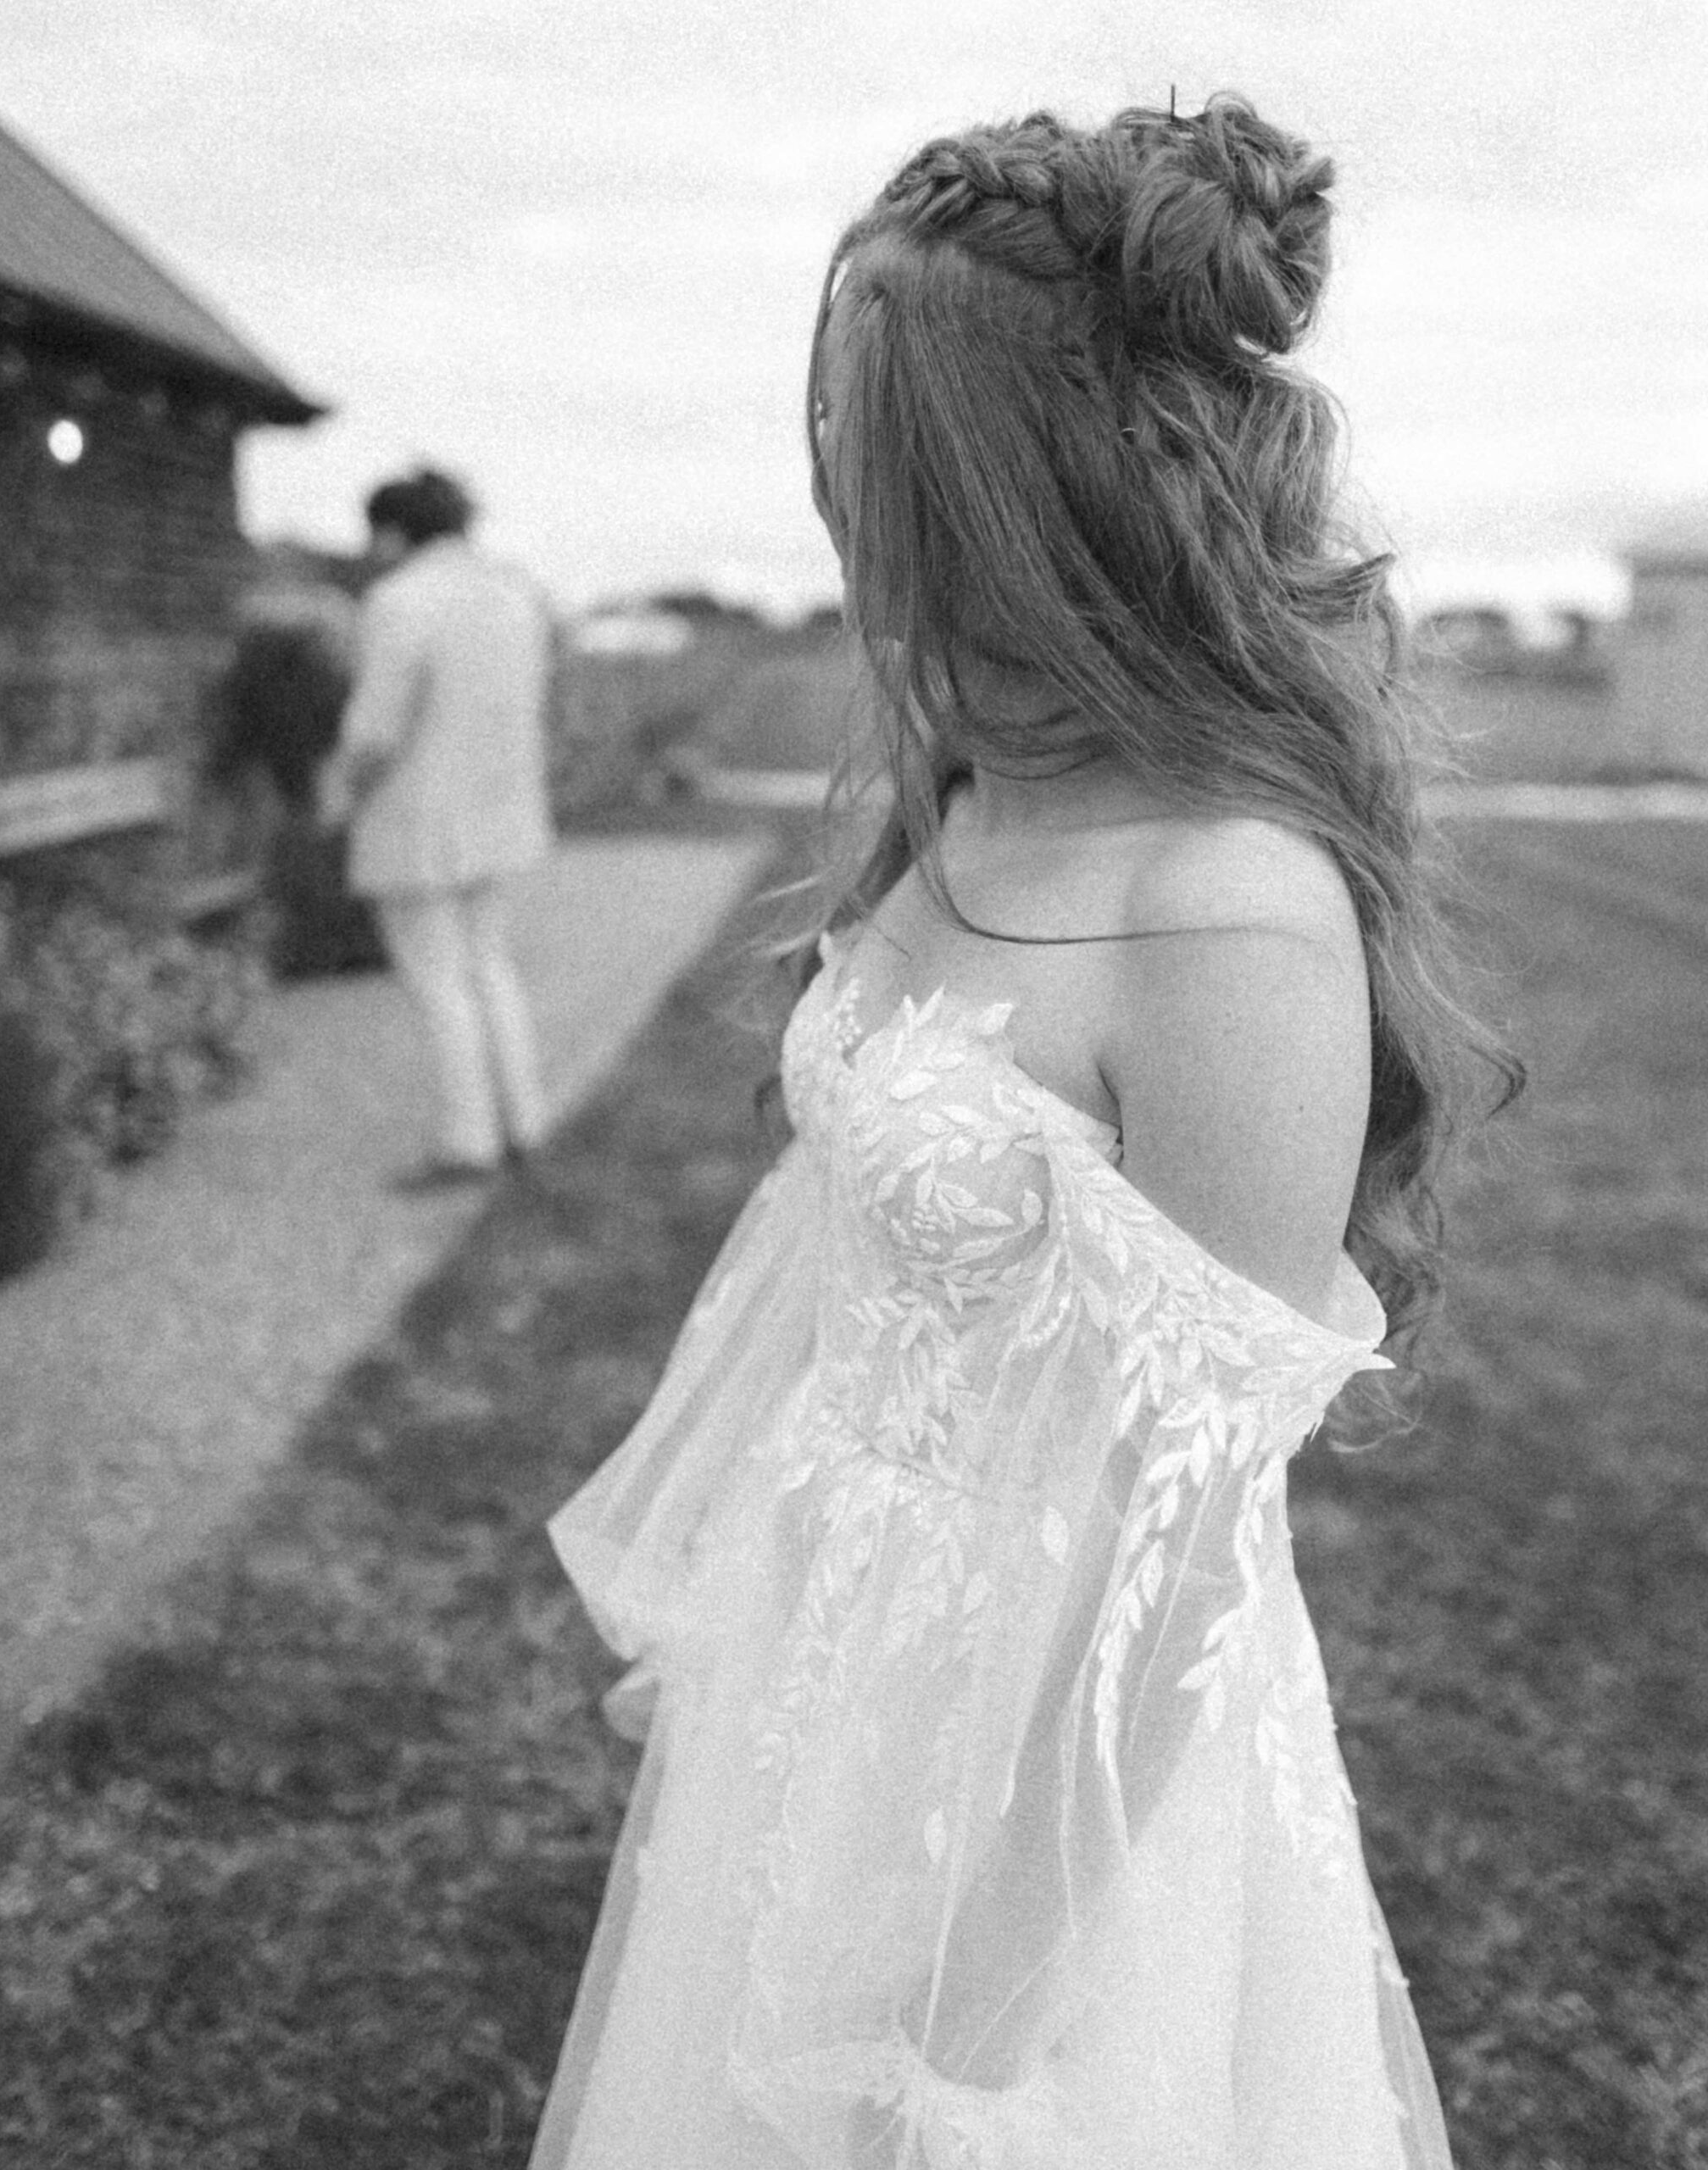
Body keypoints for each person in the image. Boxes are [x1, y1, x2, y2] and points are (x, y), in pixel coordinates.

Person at [531, 96, 1519, 2168]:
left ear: (1014, 471)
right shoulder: (967, 775)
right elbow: (842, 1249)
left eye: (876, 441)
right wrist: (745, 1608)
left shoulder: (1229, 902)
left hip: (1060, 1775)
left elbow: (1177, 1550)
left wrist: (969, 2019)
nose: (838, 489)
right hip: (838, 1631)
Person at [320, 468, 556, 1188]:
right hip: (499, 812)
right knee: (489, 966)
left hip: (418, 818)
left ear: (393, 531)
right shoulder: (517, 595)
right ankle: (525, 1123)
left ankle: (468, 1144)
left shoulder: (399, 601)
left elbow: (374, 731)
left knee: (438, 981)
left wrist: (337, 795)